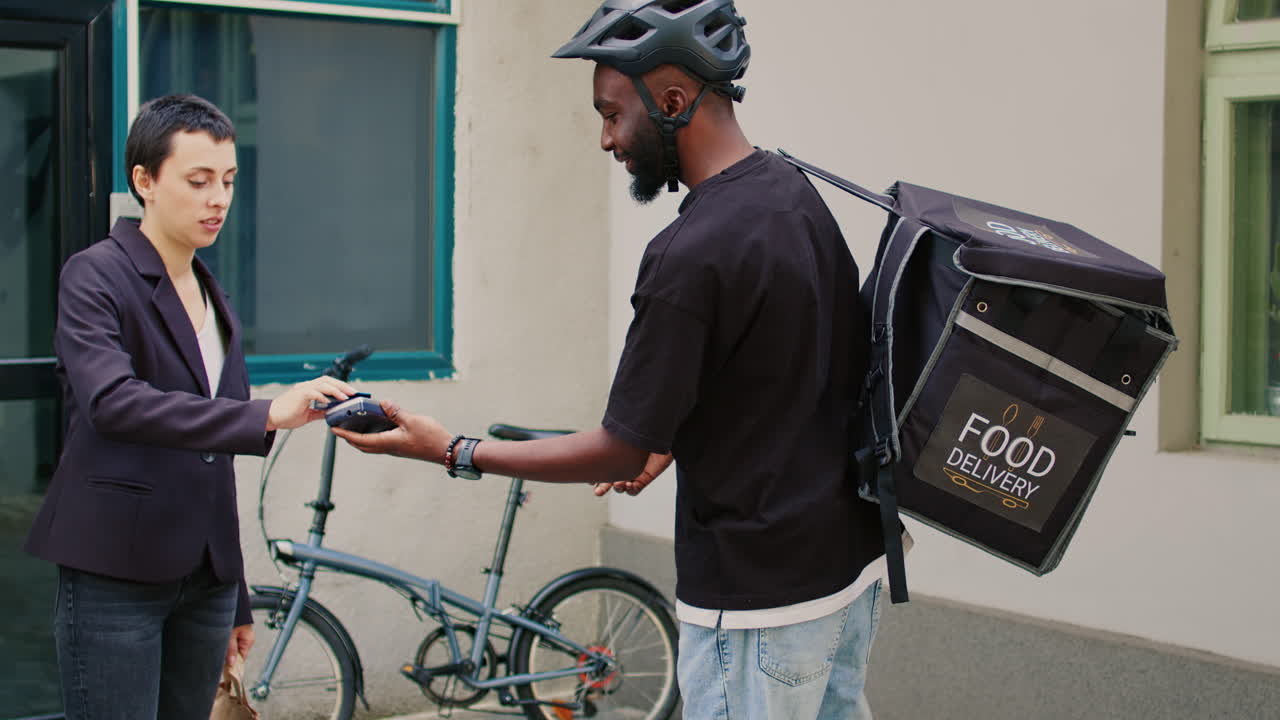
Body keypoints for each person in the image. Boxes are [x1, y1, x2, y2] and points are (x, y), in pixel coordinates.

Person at [335, 1, 895, 718]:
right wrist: (670, 433)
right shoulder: (792, 194)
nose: (605, 139)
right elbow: (782, 371)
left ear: (670, 99)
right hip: (842, 572)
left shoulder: (689, 255)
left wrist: (453, 449)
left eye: (611, 113)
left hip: (757, 603)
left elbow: (614, 452)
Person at [24, 94, 356, 720]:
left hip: (202, 580)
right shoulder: (94, 275)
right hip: (114, 570)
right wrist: (264, 414)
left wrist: (231, 594)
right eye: (198, 181)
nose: (219, 199)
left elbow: (212, 462)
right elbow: (113, 403)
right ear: (144, 181)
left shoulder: (212, 291)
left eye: (229, 181)